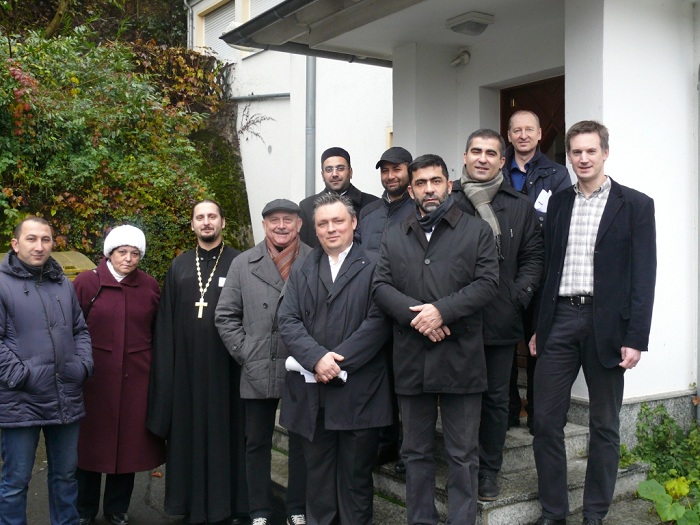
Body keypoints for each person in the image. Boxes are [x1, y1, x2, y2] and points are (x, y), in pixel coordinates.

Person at [529, 121, 656, 525]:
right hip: (561, 318)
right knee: (545, 421)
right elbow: (548, 267)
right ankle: (554, 512)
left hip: (608, 325)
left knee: (604, 425)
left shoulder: (635, 204)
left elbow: (643, 274)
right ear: (568, 156)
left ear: (605, 153)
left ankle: (595, 514)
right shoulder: (560, 202)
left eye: (590, 151)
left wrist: (636, 336)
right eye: (576, 152)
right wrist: (539, 326)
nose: (583, 159)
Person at [373, 154, 499, 525]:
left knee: (462, 454)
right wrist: (421, 317)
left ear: (449, 184)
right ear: (411, 189)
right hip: (412, 357)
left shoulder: (475, 231)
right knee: (415, 452)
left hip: (461, 356)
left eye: (436, 181)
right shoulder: (394, 233)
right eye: (421, 183)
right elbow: (380, 286)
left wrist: (441, 311)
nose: (429, 189)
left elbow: (488, 283)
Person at [278, 193, 392, 525]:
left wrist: (337, 362)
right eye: (323, 223)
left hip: (360, 394)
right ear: (315, 229)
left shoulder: (375, 264)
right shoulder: (303, 268)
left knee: (356, 481)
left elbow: (378, 321)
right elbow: (288, 320)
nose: (331, 229)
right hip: (313, 398)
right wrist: (316, 359)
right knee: (319, 482)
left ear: (353, 223)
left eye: (337, 221)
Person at [451, 129, 543, 501]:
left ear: (502, 161)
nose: (483, 158)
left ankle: (489, 471)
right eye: (476, 151)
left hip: (500, 320)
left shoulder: (519, 204)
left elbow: (533, 258)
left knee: (495, 400)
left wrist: (515, 296)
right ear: (465, 155)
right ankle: (461, 466)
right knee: (458, 397)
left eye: (491, 153)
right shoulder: (448, 199)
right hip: (453, 319)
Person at [147, 200, 247, 525]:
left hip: (227, 372)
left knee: (227, 436)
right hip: (186, 373)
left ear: (222, 222)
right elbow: (165, 324)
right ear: (192, 225)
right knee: (188, 437)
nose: (206, 222)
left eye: (212, 216)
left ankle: (226, 507)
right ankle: (187, 505)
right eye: (200, 217)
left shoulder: (240, 263)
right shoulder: (179, 267)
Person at [215, 199, 311, 525]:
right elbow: (225, 316)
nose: (281, 225)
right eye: (274, 220)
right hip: (257, 366)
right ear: (265, 225)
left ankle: (297, 507)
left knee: (301, 441)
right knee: (256, 442)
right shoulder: (244, 263)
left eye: (288, 219)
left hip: (302, 366)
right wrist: (246, 351)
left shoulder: (314, 260)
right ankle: (259, 510)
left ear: (299, 224)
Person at [0, 217, 93, 525]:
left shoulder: (61, 283)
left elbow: (80, 329)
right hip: (20, 399)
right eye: (31, 239)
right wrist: (19, 375)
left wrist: (81, 366)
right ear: (15, 244)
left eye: (46, 239)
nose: (39, 246)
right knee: (15, 481)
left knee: (66, 476)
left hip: (65, 393)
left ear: (53, 243)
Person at [73, 225, 165, 525]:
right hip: (94, 380)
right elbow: (73, 329)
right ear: (109, 253)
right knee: (89, 446)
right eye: (122, 252)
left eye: (135, 253)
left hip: (137, 378)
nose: (128, 258)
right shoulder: (87, 283)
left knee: (129, 446)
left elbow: (156, 331)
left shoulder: (150, 286)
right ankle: (84, 509)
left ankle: (116, 508)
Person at [505, 109, 571, 431]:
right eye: (517, 130)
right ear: (509, 135)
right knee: (503, 344)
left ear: (540, 134)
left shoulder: (557, 174)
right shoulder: (498, 169)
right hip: (503, 272)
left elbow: (560, 223)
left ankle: (536, 416)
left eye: (529, 129)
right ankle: (507, 410)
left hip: (541, 271)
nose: (523, 135)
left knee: (536, 345)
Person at [358, 146, 414, 472]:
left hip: (404, 310)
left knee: (405, 383)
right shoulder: (368, 214)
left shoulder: (417, 210)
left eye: (397, 169)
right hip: (371, 311)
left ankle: (409, 452)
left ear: (408, 171)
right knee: (379, 382)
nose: (391, 176)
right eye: (385, 170)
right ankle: (386, 444)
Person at [298, 147, 378, 247]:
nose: (335, 174)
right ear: (323, 175)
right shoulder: (307, 207)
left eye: (340, 168)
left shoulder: (373, 205)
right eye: (329, 169)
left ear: (350, 172)